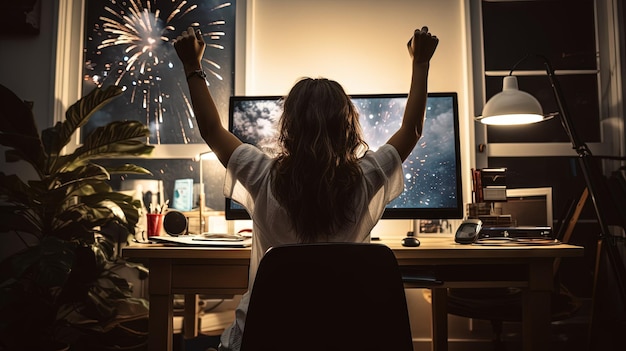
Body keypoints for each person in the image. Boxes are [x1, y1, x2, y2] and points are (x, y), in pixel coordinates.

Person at [173, 26, 438, 351]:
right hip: (346, 340)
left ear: (289, 126)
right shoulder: (366, 177)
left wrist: (192, 66)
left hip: (264, 340)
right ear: (348, 127)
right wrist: (421, 63)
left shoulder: (261, 174)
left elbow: (212, 130)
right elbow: (411, 130)